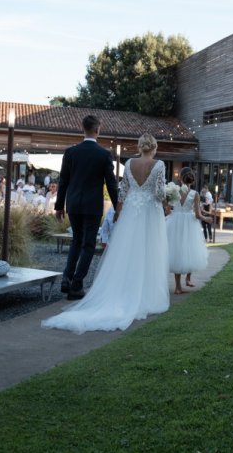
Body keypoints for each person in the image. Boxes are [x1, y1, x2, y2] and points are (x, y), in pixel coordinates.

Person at [43, 132, 169, 334]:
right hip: (150, 212)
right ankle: (145, 293)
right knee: (148, 250)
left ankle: (123, 290)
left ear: (139, 146)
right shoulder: (159, 165)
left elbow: (123, 192)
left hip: (131, 211)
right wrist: (166, 201)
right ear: (154, 147)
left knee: (126, 252)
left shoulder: (128, 164)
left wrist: (118, 212)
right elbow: (160, 192)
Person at [51, 115, 120, 301]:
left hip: (73, 204)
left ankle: (67, 276)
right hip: (92, 206)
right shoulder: (104, 154)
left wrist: (59, 206)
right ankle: (76, 284)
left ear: (83, 129)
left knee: (76, 240)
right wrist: (117, 207)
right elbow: (111, 184)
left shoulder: (70, 153)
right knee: (88, 244)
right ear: (98, 130)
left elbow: (63, 180)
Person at [166, 167, 210, 294]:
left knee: (177, 252)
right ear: (193, 180)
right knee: (191, 250)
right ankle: (188, 279)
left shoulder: (174, 192)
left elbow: (168, 210)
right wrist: (206, 218)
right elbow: (197, 214)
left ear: (180, 178)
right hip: (190, 223)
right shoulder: (195, 194)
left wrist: (175, 212)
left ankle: (178, 287)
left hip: (175, 222)